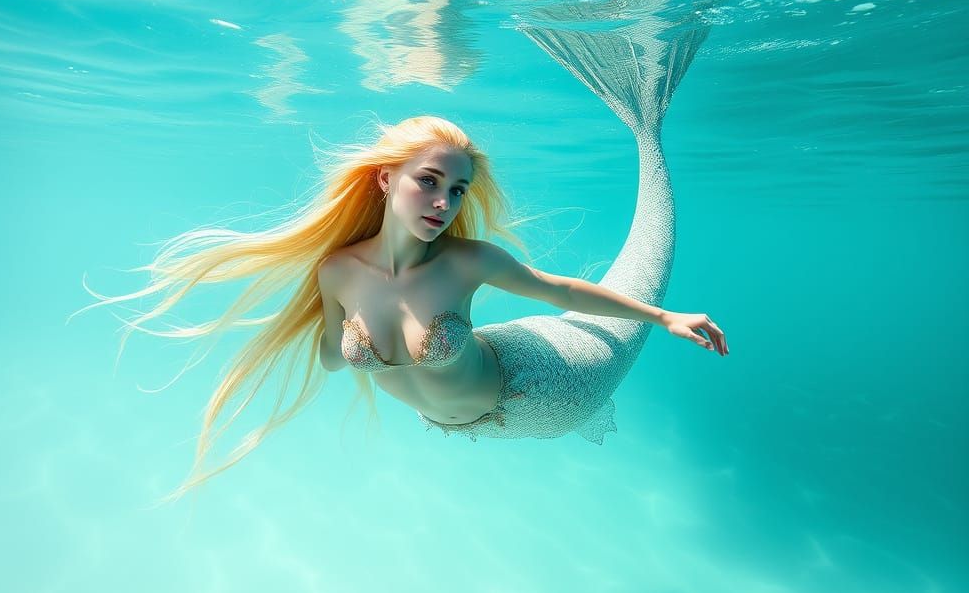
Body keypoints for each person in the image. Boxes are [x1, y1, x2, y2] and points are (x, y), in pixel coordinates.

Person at [81, 114, 725, 504]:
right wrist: (335, 337)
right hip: (471, 422)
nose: (444, 202)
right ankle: (648, 132)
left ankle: (648, 136)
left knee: (646, 260)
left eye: (457, 190)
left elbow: (559, 293)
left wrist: (664, 319)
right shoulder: (336, 272)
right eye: (429, 181)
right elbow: (336, 359)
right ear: (385, 177)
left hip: (547, 383)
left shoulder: (465, 262)